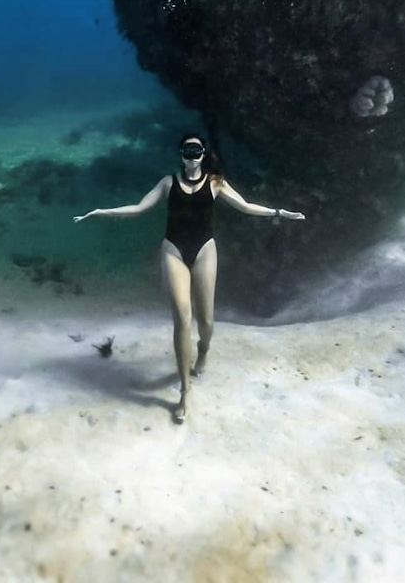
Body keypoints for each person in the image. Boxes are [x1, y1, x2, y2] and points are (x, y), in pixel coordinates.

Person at [73, 133, 305, 423]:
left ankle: (203, 350)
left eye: (196, 151)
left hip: (205, 251)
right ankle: (185, 390)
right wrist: (99, 212)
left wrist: (279, 212)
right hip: (173, 251)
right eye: (187, 151)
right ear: (180, 153)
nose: (192, 156)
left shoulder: (216, 183)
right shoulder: (168, 183)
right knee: (183, 318)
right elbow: (138, 208)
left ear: (203, 154)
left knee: (206, 322)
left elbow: (245, 205)